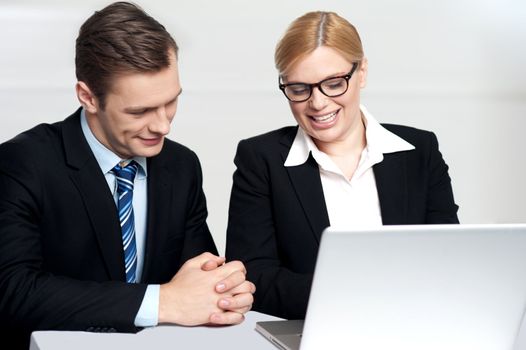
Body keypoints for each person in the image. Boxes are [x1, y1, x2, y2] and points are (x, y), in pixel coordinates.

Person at [0, 2, 254, 349]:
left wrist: (224, 290)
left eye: (171, 101)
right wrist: (162, 301)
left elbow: (198, 279)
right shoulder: (23, 162)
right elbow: (14, 293)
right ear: (87, 97)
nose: (163, 125)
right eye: (140, 111)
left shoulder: (182, 166)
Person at [226, 11, 459, 320]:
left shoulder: (419, 151)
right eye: (299, 89)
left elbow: (448, 259)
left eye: (334, 84)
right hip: (317, 334)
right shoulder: (261, 158)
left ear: (361, 72)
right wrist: (363, 298)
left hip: (414, 328)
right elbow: (254, 278)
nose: (318, 103)